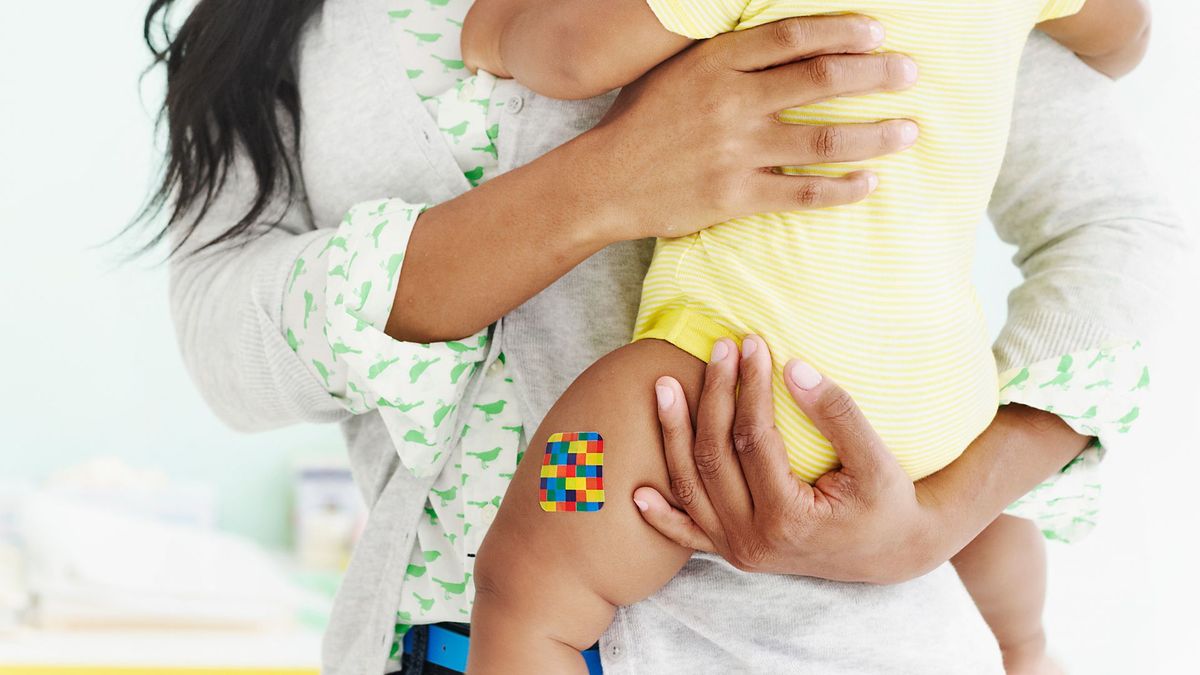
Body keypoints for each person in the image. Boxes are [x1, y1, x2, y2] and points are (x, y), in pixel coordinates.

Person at [142, 0, 1185, 673]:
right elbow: (226, 338)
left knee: (566, 501)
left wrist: (943, 514)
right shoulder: (276, 35)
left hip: (795, 618)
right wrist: (595, 186)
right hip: (429, 638)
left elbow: (1126, 232)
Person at [458, 1, 1152, 673]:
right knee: (981, 517)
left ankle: (534, 613)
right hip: (941, 393)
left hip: (740, 376)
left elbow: (574, 52)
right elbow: (1126, 35)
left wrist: (495, 29)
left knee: (527, 580)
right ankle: (1023, 646)